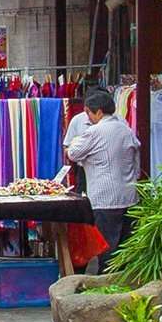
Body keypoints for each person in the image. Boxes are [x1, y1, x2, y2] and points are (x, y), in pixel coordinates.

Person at [58, 85, 141, 270]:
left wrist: (81, 149)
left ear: (99, 112)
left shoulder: (95, 132)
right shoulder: (125, 129)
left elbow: (73, 152)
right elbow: (136, 160)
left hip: (105, 198)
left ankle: (107, 282)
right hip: (129, 195)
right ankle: (119, 281)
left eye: (89, 113)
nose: (87, 117)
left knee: (107, 248)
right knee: (123, 247)